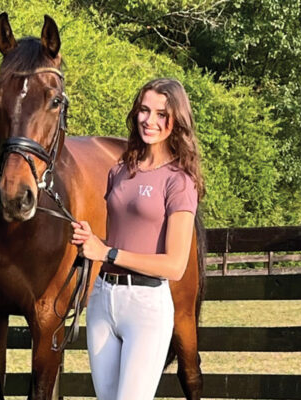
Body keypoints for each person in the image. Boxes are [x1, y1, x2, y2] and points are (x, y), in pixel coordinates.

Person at [71, 78, 204, 400]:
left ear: (177, 120)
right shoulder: (120, 171)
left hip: (146, 306)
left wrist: (108, 252)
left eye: (161, 113)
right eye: (144, 110)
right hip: (102, 300)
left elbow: (174, 265)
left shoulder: (180, 181)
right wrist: (94, 241)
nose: (150, 120)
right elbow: (121, 238)